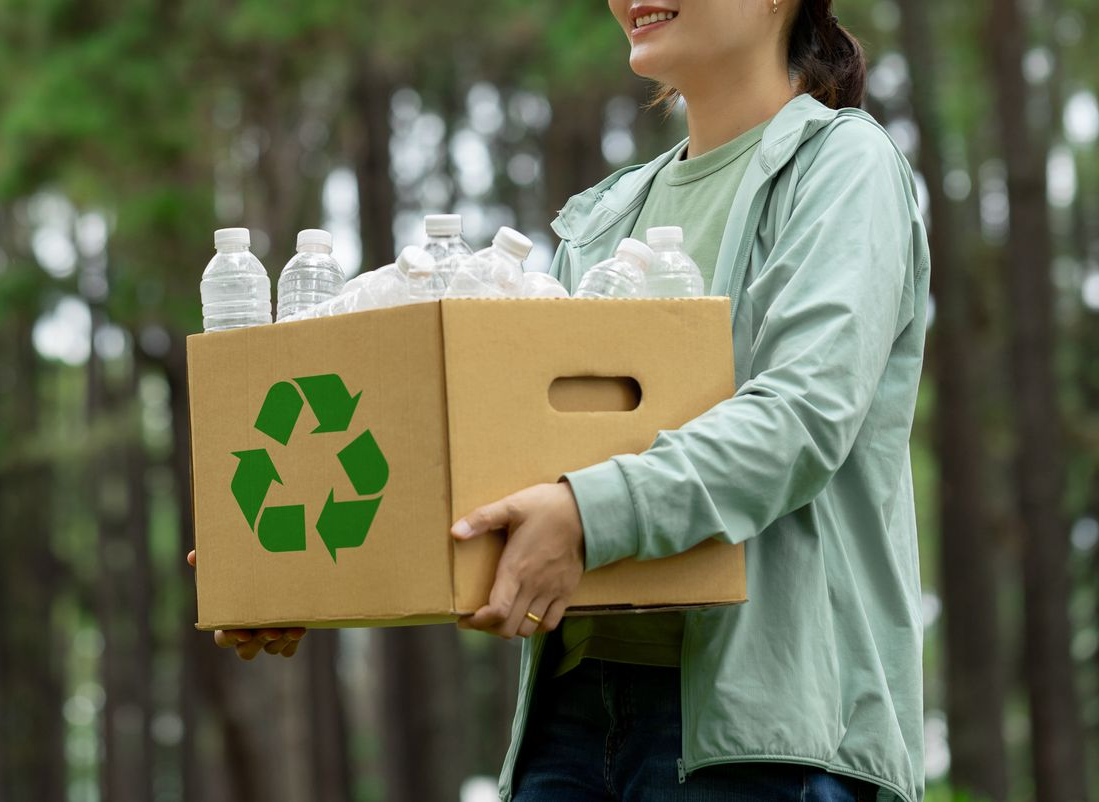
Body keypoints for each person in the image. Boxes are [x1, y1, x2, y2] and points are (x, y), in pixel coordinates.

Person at [190, 0, 930, 799]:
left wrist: (587, 514)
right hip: (567, 722)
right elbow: (510, 461)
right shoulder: (607, 221)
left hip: (763, 735)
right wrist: (299, 566)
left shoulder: (840, 166)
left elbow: (799, 418)